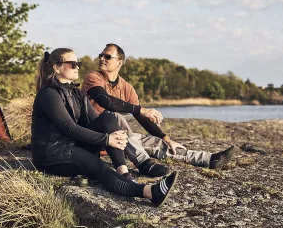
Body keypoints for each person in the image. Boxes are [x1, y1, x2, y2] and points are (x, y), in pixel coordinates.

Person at [31, 47, 178, 206]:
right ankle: (150, 192)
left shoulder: (76, 93)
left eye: (78, 63)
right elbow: (69, 128)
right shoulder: (49, 94)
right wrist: (107, 139)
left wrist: (115, 134)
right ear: (57, 67)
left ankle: (123, 172)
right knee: (98, 167)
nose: (78, 67)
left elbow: (99, 121)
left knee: (108, 118)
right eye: (73, 64)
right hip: (53, 154)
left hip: (72, 145)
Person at [82, 44, 235, 177]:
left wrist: (166, 138)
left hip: (119, 141)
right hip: (94, 137)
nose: (102, 58)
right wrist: (141, 109)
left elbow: (141, 118)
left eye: (107, 56)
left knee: (158, 143)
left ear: (119, 63)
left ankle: (208, 159)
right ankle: (143, 163)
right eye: (101, 55)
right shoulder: (93, 77)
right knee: (114, 116)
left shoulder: (126, 87)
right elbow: (106, 101)